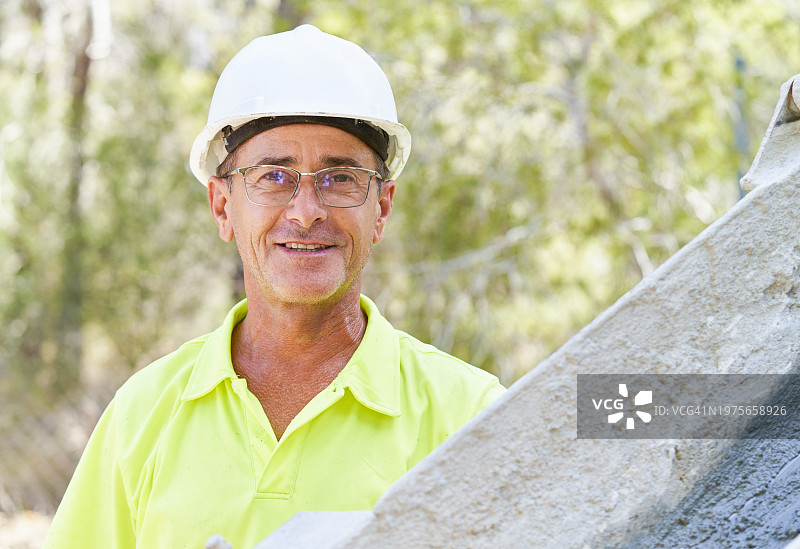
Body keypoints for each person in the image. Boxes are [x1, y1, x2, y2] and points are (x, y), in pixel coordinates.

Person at [44, 24, 505, 548]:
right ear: (223, 206)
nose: (307, 213)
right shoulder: (143, 415)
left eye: (340, 178)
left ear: (381, 208)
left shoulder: (468, 415)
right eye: (273, 176)